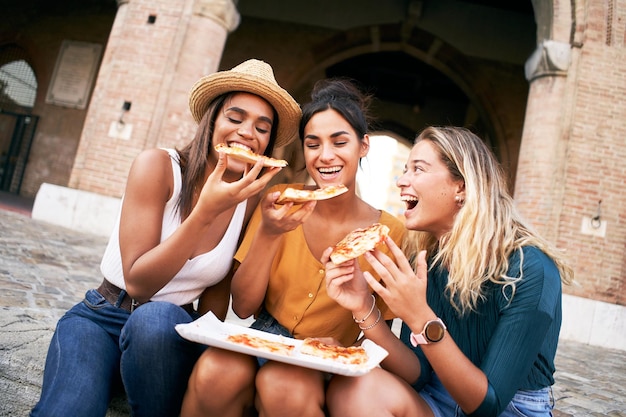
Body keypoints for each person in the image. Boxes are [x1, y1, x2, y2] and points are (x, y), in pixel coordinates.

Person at [30, 59, 301, 417]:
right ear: (212, 121)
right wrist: (204, 214)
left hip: (169, 335)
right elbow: (139, 283)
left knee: (156, 321)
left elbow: (216, 298)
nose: (247, 133)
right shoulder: (157, 166)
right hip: (103, 317)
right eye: (235, 119)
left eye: (261, 128)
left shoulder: (248, 200)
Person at [181, 78, 406, 417]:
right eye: (313, 144)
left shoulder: (389, 231)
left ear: (363, 146)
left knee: (285, 386)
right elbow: (243, 308)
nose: (325, 155)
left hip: (330, 359)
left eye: (339, 142)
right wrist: (270, 233)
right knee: (216, 371)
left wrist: (348, 348)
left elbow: (380, 337)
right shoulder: (278, 203)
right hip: (265, 337)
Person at [323, 126, 574, 417]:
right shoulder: (426, 259)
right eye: (405, 170)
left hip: (508, 409)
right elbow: (418, 374)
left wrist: (420, 317)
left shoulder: (530, 269)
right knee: (352, 388)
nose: (402, 180)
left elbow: (487, 405)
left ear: (462, 187)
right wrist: (364, 307)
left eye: (418, 169)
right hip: (435, 397)